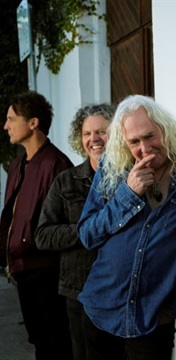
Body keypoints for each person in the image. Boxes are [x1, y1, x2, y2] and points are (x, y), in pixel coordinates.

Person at [76, 95, 176, 360]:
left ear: (166, 129)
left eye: (150, 136)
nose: (144, 148)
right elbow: (87, 234)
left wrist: (174, 306)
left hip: (152, 319)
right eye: (134, 141)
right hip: (102, 307)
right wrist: (128, 193)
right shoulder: (112, 166)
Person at [35, 103, 114, 360]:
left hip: (119, 291)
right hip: (78, 291)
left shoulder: (129, 180)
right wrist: (87, 230)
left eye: (101, 131)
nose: (94, 139)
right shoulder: (65, 181)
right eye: (87, 134)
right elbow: (43, 235)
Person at [0, 91, 74, 359]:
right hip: (22, 269)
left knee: (57, 343)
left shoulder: (57, 165)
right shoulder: (18, 164)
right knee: (39, 341)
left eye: (11, 119)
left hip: (47, 272)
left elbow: (66, 223)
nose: (5, 126)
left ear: (33, 123)